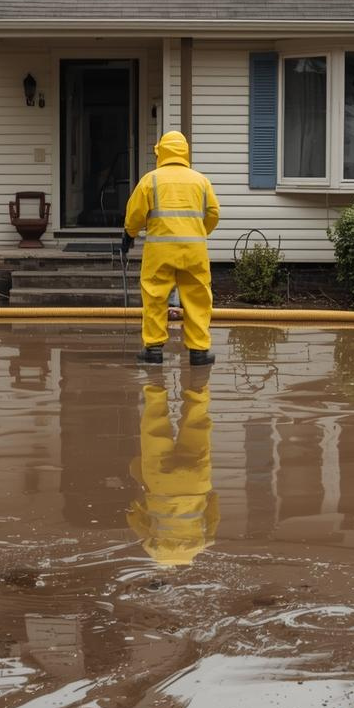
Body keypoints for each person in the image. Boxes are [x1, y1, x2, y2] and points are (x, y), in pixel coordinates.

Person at [122, 130, 220, 365]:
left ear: (161, 152)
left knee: (155, 296)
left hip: (160, 251)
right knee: (197, 298)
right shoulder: (200, 181)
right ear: (185, 151)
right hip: (193, 250)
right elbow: (213, 214)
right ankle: (199, 351)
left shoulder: (151, 180)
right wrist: (198, 232)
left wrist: (129, 234)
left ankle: (154, 349)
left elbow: (135, 214)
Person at [127, 379, 219, 566]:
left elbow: (213, 515)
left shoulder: (201, 544)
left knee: (197, 428)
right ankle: (155, 390)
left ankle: (198, 391)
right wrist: (137, 505)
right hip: (161, 486)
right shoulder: (155, 549)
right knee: (154, 434)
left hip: (196, 485)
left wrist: (210, 496)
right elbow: (135, 520)